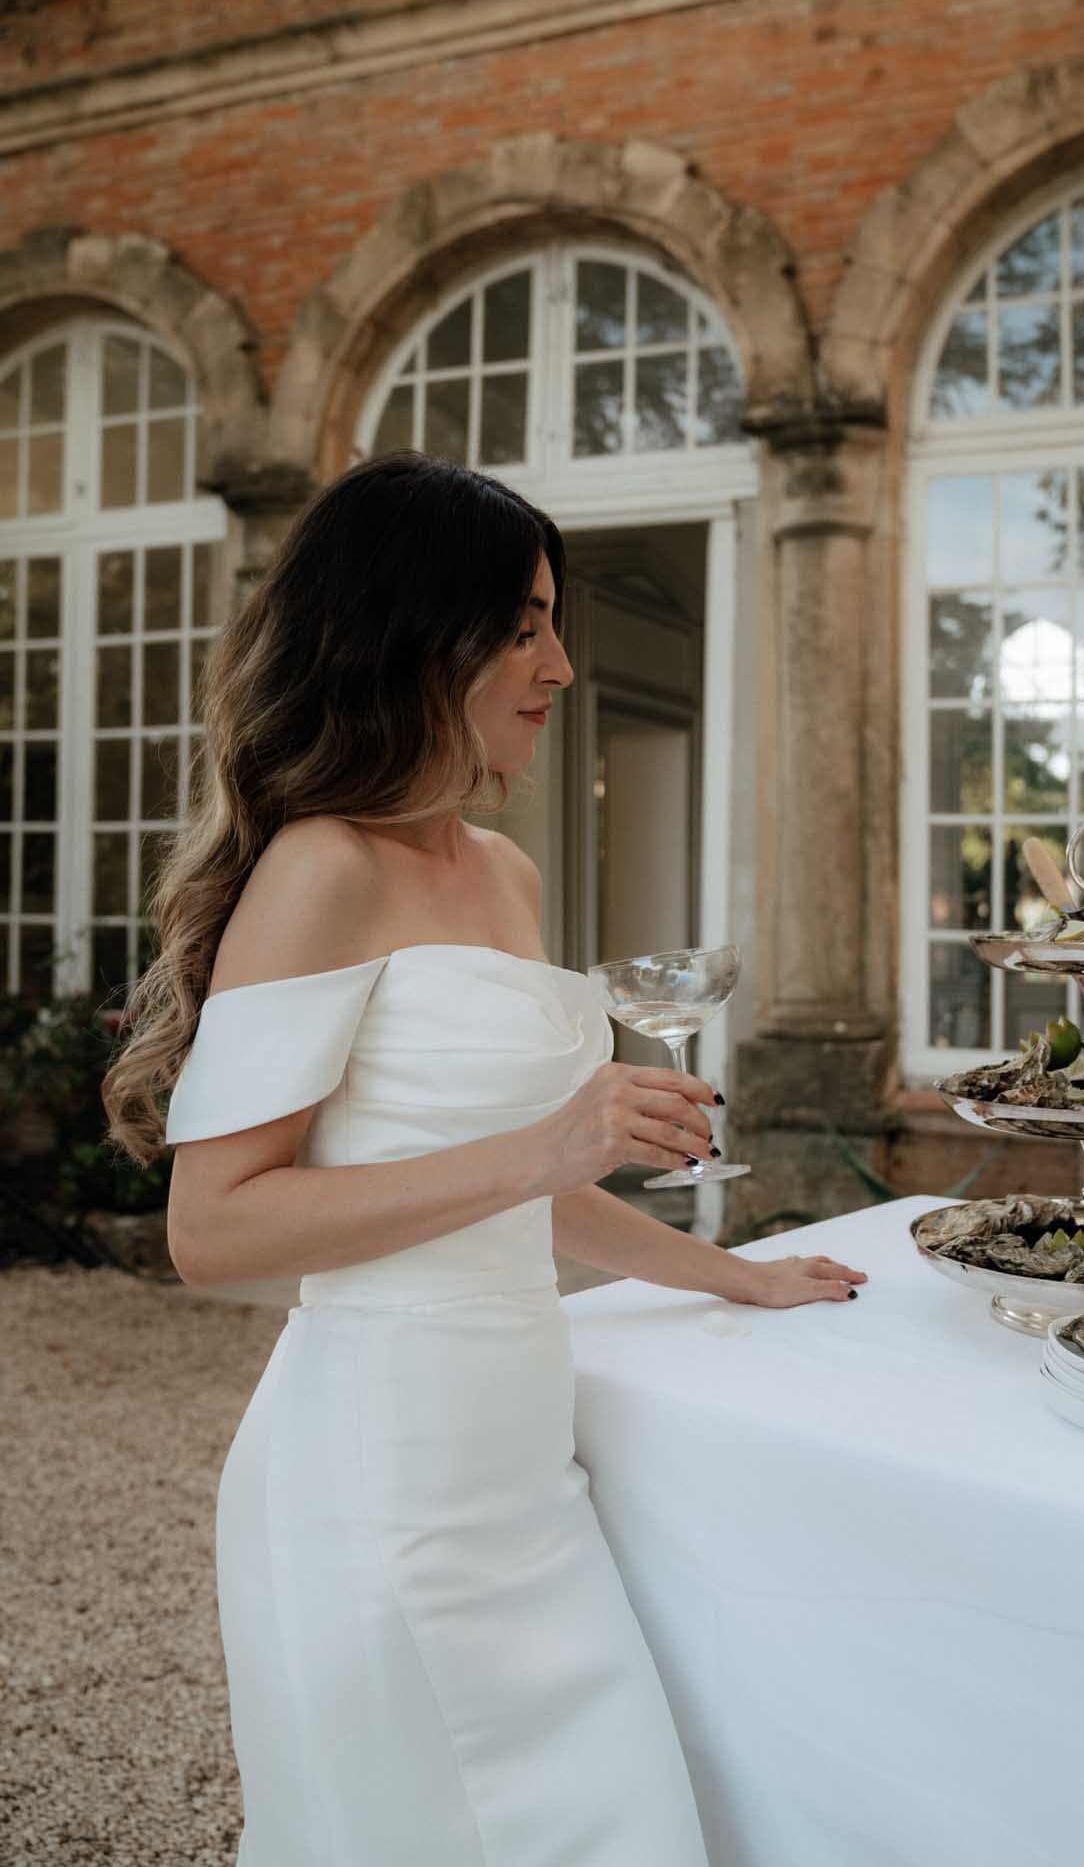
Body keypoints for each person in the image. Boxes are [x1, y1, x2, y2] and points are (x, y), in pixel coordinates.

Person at [102, 451, 867, 1867]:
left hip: (521, 1472)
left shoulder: (503, 874)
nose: (561, 664)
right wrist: (542, 1144)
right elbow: (212, 1228)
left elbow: (529, 1186)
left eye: (550, 622)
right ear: (413, 636)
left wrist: (729, 1277)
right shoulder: (319, 868)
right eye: (522, 625)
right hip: (374, 1485)